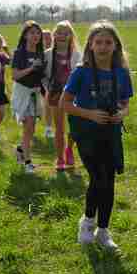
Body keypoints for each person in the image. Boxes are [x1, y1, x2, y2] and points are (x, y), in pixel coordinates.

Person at [60, 20, 133, 251]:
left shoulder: (121, 73)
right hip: (86, 133)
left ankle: (103, 231)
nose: (103, 47)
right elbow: (64, 104)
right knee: (98, 177)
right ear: (90, 45)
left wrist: (121, 113)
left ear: (115, 46)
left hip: (110, 133)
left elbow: (125, 103)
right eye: (98, 42)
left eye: (108, 42)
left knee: (109, 180)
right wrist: (90, 114)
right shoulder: (80, 72)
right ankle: (87, 223)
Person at [44, 21, 83, 171]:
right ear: (54, 35)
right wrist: (48, 87)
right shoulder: (47, 55)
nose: (62, 36)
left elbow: (80, 75)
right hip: (55, 94)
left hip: (73, 95)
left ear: (71, 36)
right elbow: (43, 76)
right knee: (59, 128)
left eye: (66, 33)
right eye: (59, 32)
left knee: (74, 127)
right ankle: (60, 158)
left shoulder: (76, 55)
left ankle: (69, 149)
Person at [11, 21, 47, 173]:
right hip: (22, 93)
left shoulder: (41, 53)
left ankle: (20, 150)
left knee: (31, 129)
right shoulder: (19, 53)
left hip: (35, 93)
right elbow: (15, 75)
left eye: (38, 33)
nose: (35, 36)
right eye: (32, 33)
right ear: (25, 35)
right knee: (28, 127)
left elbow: (42, 76)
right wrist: (31, 68)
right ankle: (28, 163)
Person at [41, 29, 55, 139]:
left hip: (51, 82)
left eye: (48, 37)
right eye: (44, 38)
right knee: (45, 104)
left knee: (48, 104)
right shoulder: (39, 52)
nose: (47, 40)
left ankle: (49, 128)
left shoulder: (55, 51)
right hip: (41, 81)